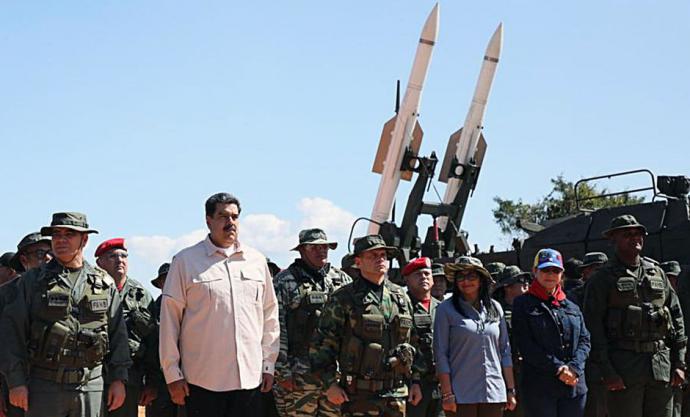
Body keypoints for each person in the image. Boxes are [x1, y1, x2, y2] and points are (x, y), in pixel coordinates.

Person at [159, 192, 279, 417]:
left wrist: (268, 364)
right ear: (208, 220)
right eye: (223, 216)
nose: (230, 222)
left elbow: (270, 314)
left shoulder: (256, 261)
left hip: (250, 380)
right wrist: (172, 375)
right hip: (202, 383)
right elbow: (169, 321)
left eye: (234, 217)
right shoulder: (186, 261)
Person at [0, 212, 132, 417]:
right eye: (56, 234)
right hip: (44, 385)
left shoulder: (104, 283)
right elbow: (12, 334)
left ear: (84, 239)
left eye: (69, 234)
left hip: (90, 384)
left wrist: (118, 379)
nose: (61, 240)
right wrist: (15, 382)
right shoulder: (32, 282)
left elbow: (118, 335)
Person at [584, 214, 686, 417]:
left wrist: (680, 363)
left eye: (639, 233)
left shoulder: (657, 273)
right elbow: (593, 328)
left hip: (660, 367)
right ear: (613, 239)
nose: (635, 238)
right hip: (623, 368)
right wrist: (608, 372)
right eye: (627, 234)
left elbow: (676, 318)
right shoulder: (602, 279)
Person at [310, 234, 422, 417]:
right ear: (358, 261)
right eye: (373, 256)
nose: (380, 259)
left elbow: (413, 341)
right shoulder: (344, 297)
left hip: (396, 393)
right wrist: (330, 384)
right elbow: (322, 344)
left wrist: (416, 380)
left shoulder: (400, 296)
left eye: (383, 255)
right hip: (359, 395)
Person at [272, 228, 351, 417]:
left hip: (333, 375)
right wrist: (282, 372)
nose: (321, 251)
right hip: (297, 374)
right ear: (301, 250)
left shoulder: (341, 280)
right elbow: (275, 327)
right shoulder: (284, 282)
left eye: (324, 247)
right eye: (313, 247)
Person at [434, 256, 517, 417]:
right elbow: (441, 354)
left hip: (494, 393)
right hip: (461, 395)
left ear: (481, 280)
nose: (466, 281)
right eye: (461, 276)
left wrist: (510, 390)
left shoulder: (495, 308)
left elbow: (505, 351)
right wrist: (447, 394)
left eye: (471, 276)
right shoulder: (445, 309)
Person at [512, 249, 591, 417]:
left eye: (555, 271)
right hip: (540, 389)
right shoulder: (522, 304)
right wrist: (559, 369)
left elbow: (585, 340)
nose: (550, 275)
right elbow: (525, 344)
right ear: (535, 271)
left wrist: (574, 368)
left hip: (574, 387)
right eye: (545, 270)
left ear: (562, 274)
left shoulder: (571, 305)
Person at [95, 238, 157, 417]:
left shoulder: (140, 295)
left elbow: (153, 341)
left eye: (123, 256)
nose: (120, 260)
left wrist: (152, 383)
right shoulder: (90, 288)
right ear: (100, 262)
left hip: (130, 378)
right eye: (112, 256)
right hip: (94, 376)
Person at [403, 257, 444, 417]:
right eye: (418, 275)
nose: (424, 278)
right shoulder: (402, 306)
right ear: (407, 280)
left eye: (427, 274)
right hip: (414, 385)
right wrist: (414, 380)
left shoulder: (442, 308)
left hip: (441, 383)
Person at [147, 263, 185, 417]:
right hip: (159, 381)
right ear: (160, 284)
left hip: (188, 379)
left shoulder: (193, 307)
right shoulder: (153, 308)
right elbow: (149, 347)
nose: (169, 283)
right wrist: (150, 384)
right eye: (165, 280)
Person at [492, 265, 530, 417]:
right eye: (520, 281)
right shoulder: (496, 313)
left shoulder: (530, 307)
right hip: (506, 372)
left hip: (529, 372)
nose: (526, 283)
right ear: (508, 287)